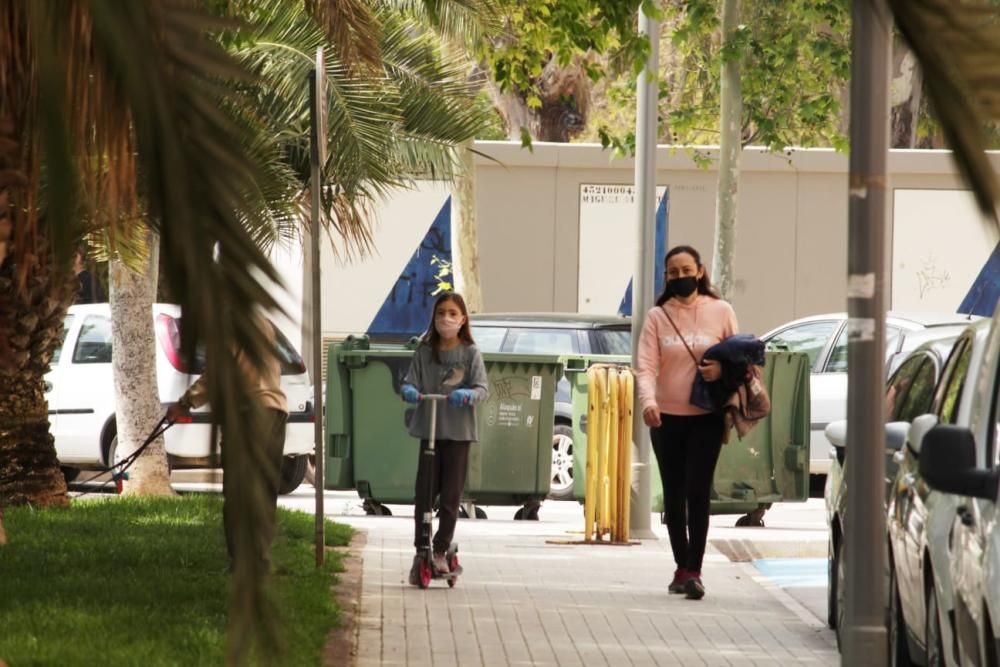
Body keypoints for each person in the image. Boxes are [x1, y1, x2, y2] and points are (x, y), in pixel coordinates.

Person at [636, 245, 739, 601]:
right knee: (674, 494)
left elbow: (741, 359)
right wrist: (648, 402)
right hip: (666, 419)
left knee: (698, 492)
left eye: (685, 270)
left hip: (706, 417)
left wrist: (723, 369)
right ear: (666, 277)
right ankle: (681, 566)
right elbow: (646, 365)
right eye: (672, 273)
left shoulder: (721, 311)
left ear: (700, 270)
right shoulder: (657, 316)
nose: (680, 277)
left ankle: (693, 569)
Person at [166, 315, 287, 572]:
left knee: (238, 491)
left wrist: (185, 403)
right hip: (276, 409)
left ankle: (241, 562)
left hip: (248, 413)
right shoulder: (261, 322)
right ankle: (260, 560)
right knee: (264, 491)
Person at [400, 291, 488, 580]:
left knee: (451, 495)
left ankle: (440, 549)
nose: (446, 319)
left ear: (462, 320)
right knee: (424, 493)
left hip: (458, 433)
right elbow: (409, 381)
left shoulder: (470, 353)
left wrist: (467, 395)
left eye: (452, 313)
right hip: (431, 430)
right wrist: (409, 391)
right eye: (440, 313)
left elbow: (482, 389)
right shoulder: (425, 351)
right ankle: (421, 547)